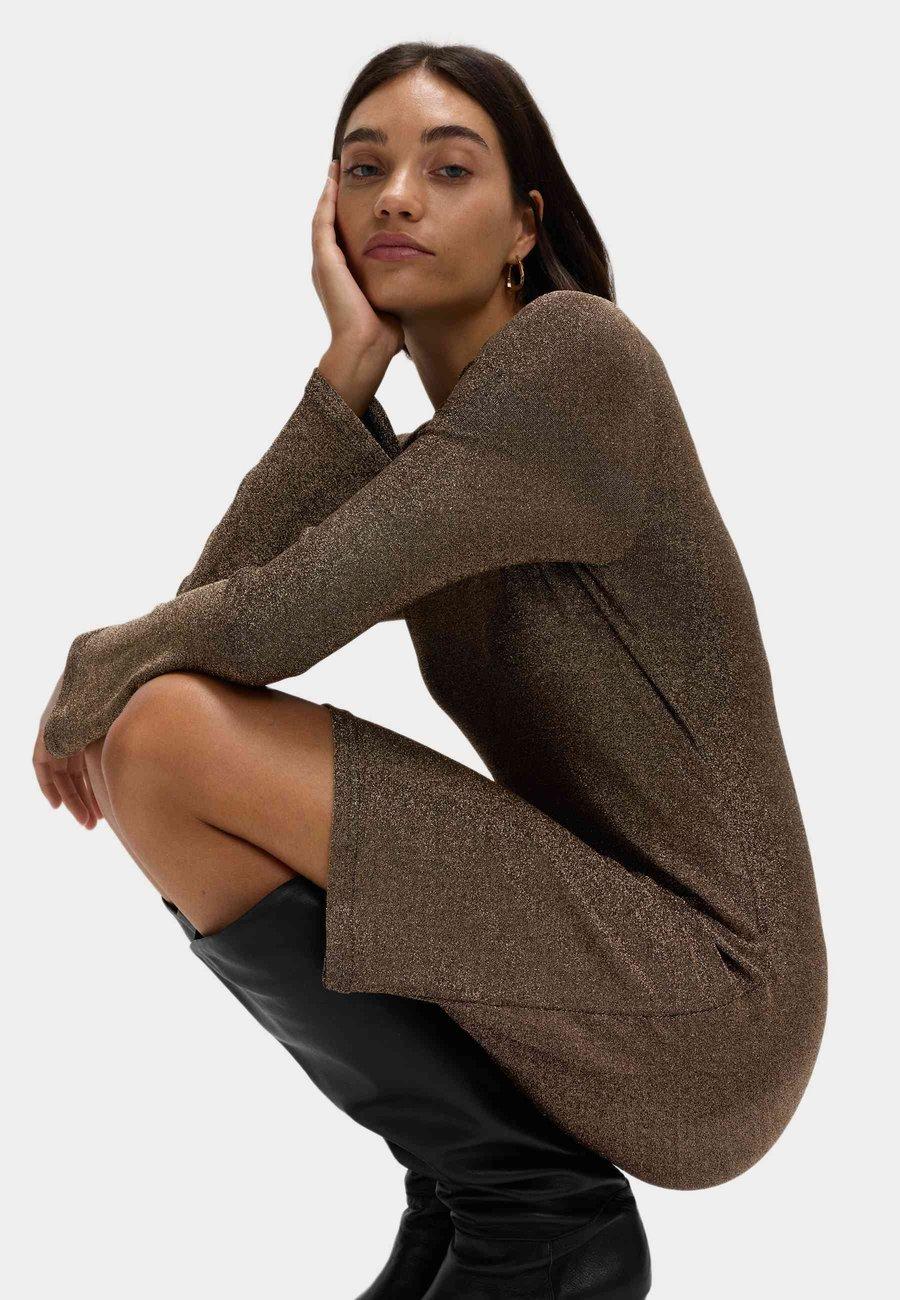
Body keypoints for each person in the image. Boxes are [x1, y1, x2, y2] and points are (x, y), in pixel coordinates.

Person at [34, 42, 828, 1300]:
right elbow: (203, 630)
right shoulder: (440, 454)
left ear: (524, 226)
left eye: (448, 169)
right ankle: (483, 1195)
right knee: (160, 748)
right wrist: (350, 363)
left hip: (711, 1000)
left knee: (166, 734)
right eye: (364, 169)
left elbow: (249, 629)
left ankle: (541, 1225)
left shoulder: (577, 364)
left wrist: (95, 656)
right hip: (606, 963)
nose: (397, 195)